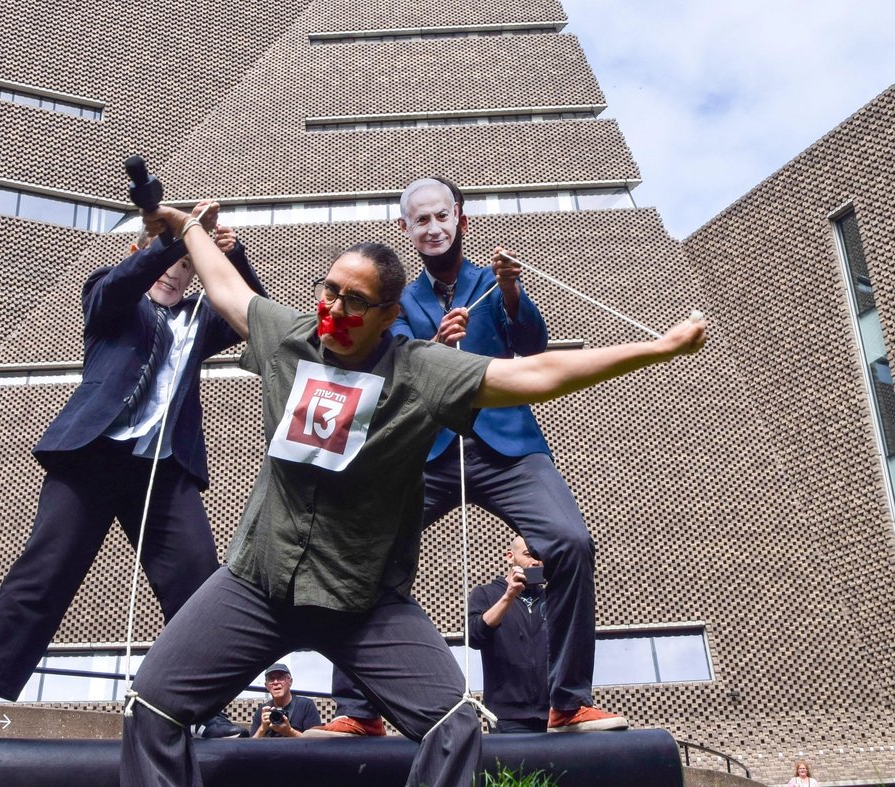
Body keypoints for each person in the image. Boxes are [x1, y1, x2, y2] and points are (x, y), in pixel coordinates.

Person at [118, 199, 706, 787]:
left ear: (388, 314)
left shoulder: (421, 370)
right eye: (329, 291)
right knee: (152, 707)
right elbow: (224, 287)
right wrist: (189, 226)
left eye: (356, 301)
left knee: (455, 726)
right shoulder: (289, 337)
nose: (335, 309)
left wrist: (656, 349)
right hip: (258, 585)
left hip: (363, 602)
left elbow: (533, 374)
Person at [0, 210, 261, 740]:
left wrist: (230, 255)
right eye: (166, 260)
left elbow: (253, 311)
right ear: (140, 252)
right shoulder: (112, 297)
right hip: (91, 457)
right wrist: (172, 237)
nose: (174, 273)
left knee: (199, 580)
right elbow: (119, 283)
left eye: (186, 265)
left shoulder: (202, 321)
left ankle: (205, 706)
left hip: (162, 469)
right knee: (46, 570)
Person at [319, 176, 625, 735]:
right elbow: (393, 372)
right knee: (362, 552)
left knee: (571, 542)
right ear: (406, 230)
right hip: (430, 452)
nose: (433, 228)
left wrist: (511, 293)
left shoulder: (493, 281)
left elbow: (532, 347)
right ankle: (362, 713)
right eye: (421, 220)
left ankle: (568, 702)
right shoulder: (398, 302)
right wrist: (435, 349)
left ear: (460, 218)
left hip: (508, 448)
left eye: (442, 216)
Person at [468, 536, 549, 733]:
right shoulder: (484, 594)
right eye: (529, 555)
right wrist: (509, 596)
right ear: (509, 557)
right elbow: (474, 636)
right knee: (512, 765)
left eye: (539, 556)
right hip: (507, 715)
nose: (535, 561)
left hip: (551, 712)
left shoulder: (551, 597)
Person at [249, 663, 321, 738]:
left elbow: (316, 743)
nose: (275, 682)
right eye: (271, 679)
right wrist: (262, 728)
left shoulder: (306, 706)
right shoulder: (263, 711)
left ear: (290, 681)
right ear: (266, 686)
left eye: (280, 677)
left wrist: (289, 731)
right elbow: (249, 747)